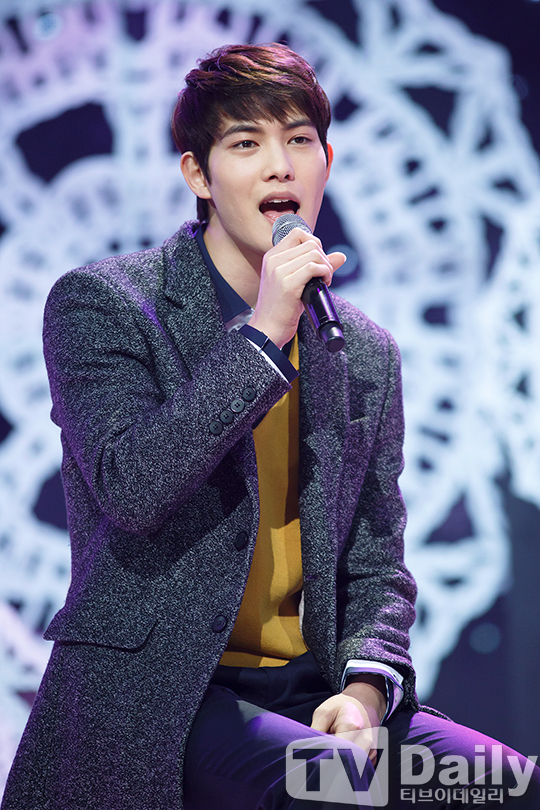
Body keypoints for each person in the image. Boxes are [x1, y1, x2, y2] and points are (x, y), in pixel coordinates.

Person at [1, 43, 539, 810]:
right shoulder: (106, 305)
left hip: (315, 691)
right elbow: (133, 486)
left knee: (509, 787)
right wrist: (262, 335)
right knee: (337, 790)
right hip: (170, 698)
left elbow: (377, 560)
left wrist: (365, 694)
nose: (280, 166)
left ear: (327, 161)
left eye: (299, 140)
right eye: (247, 144)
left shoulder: (362, 350)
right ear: (199, 175)